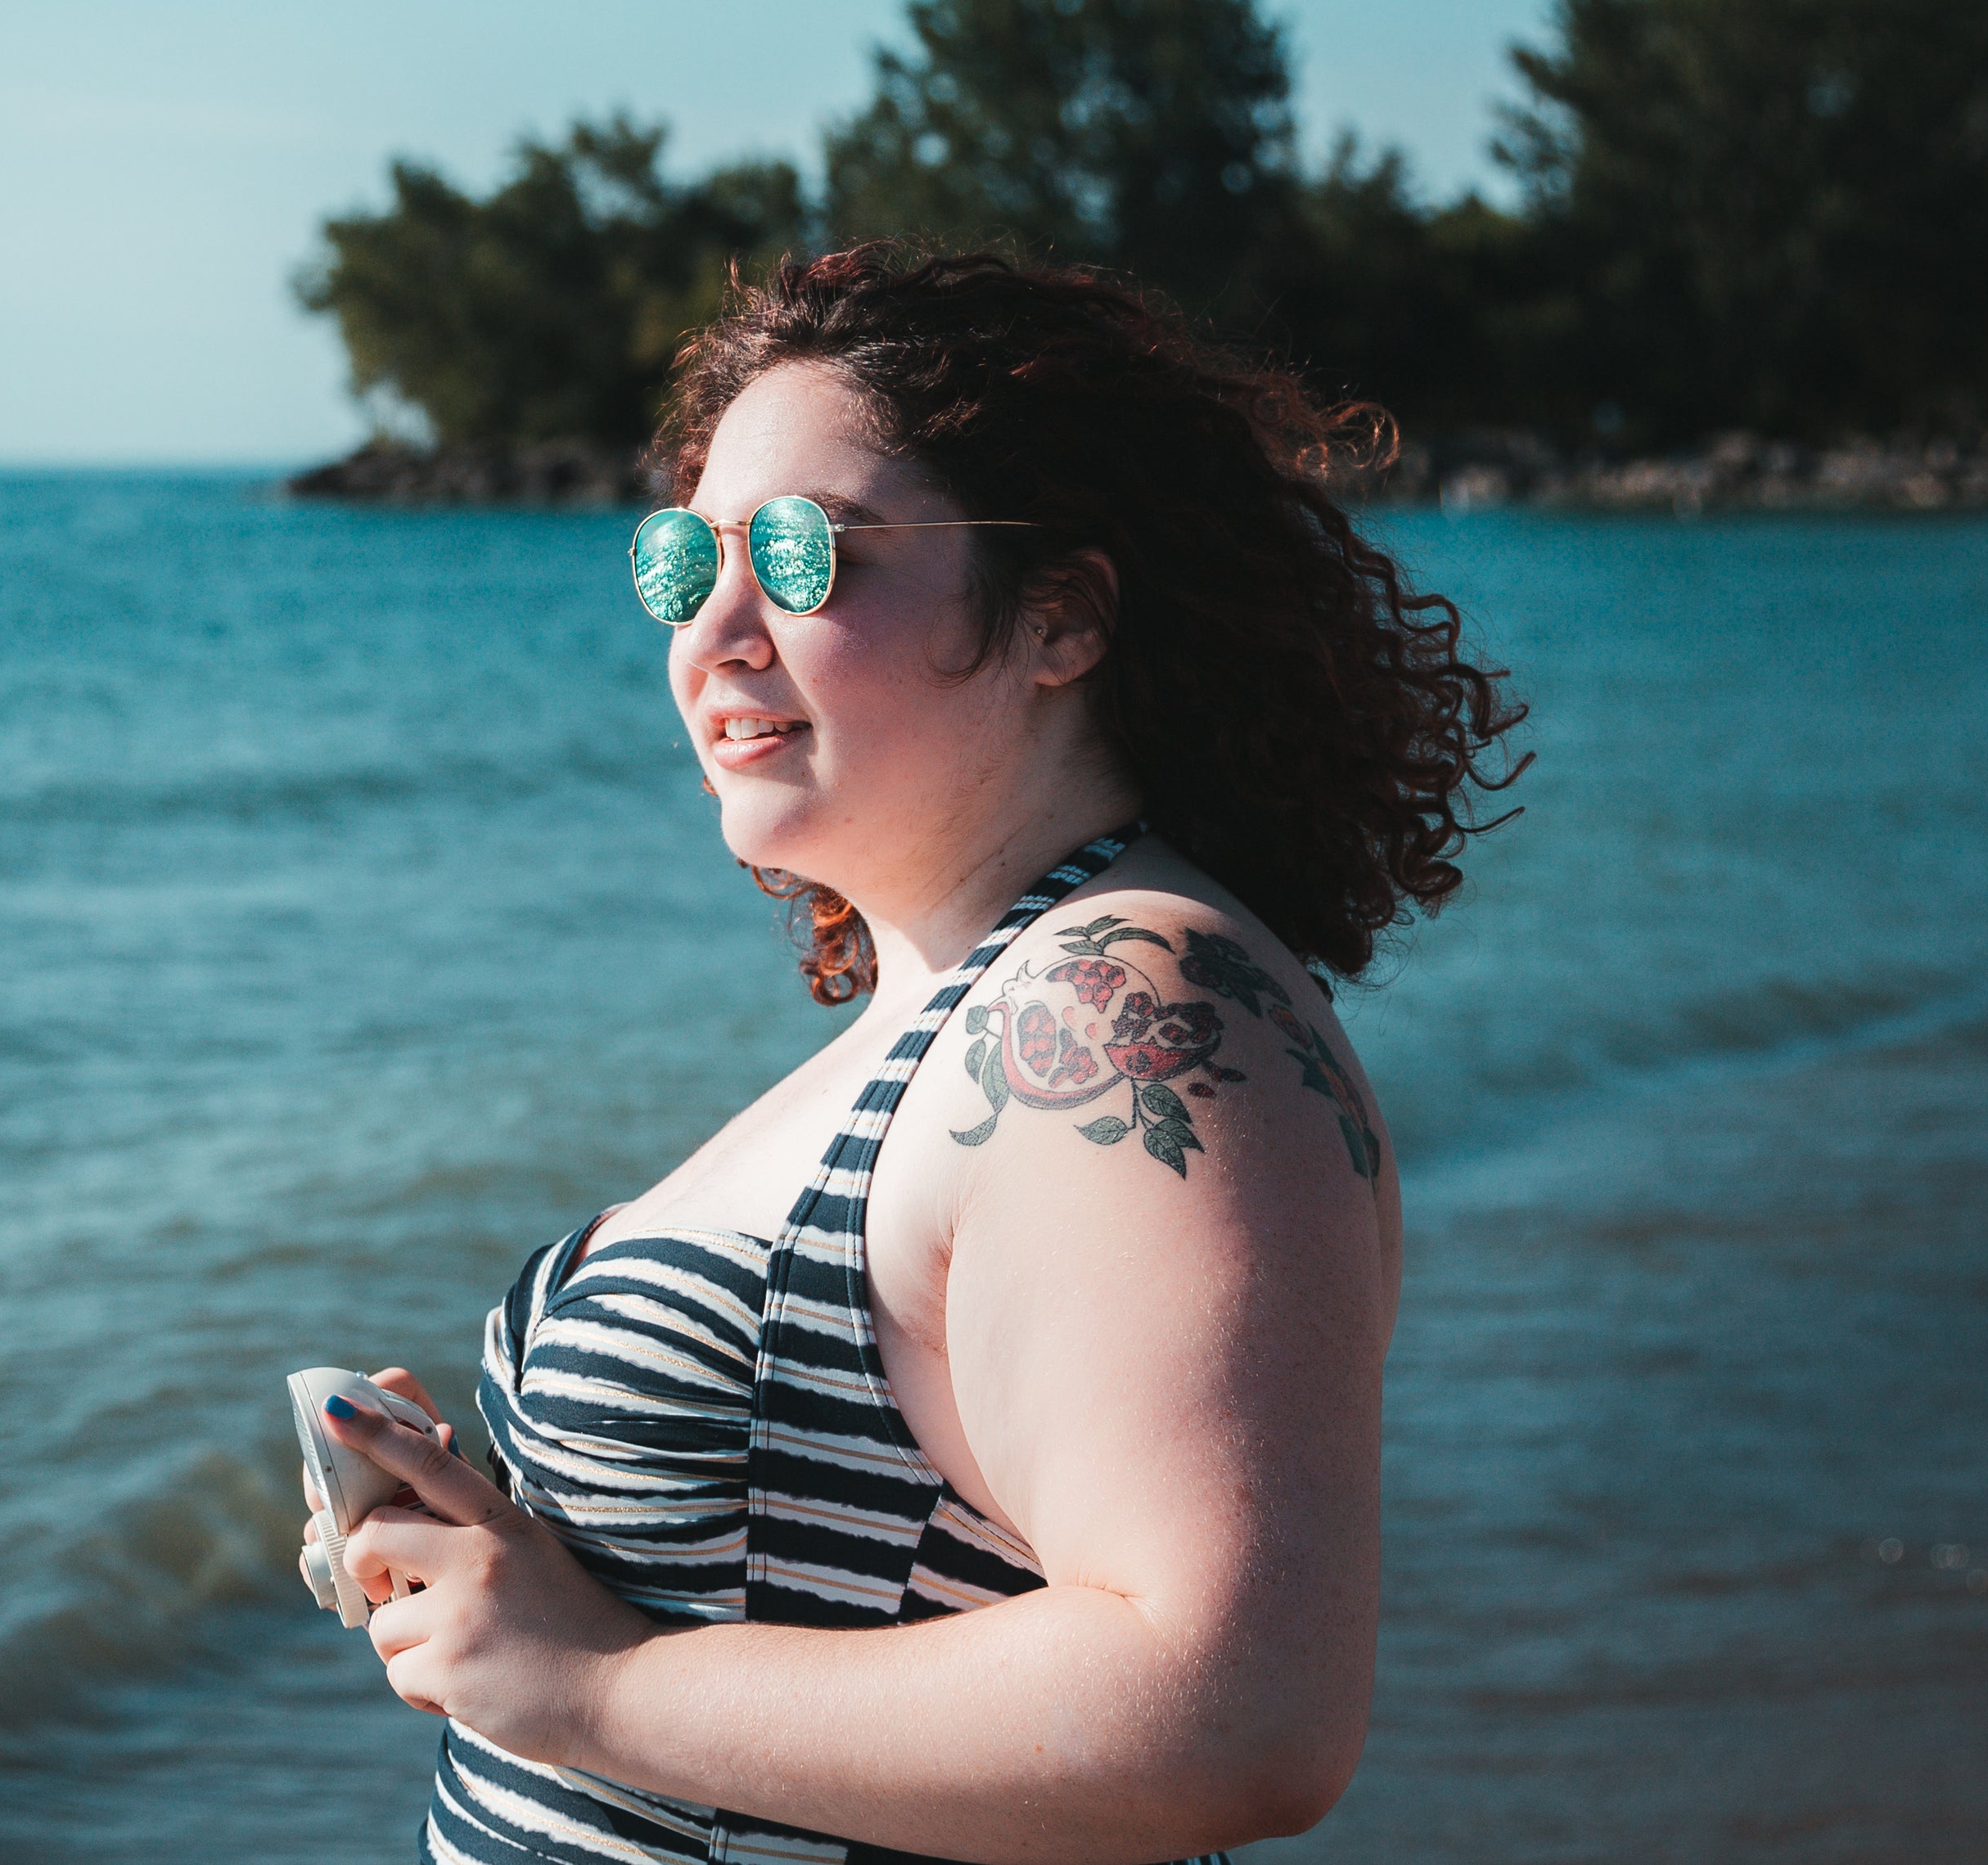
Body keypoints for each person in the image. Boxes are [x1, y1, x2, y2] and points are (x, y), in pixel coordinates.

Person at [309, 246, 1526, 1865]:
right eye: (687, 563)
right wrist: (511, 1547)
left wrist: (589, 1684)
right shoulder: (968, 1004)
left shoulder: (1123, 1008)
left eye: (804, 557)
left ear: (1059, 615)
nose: (720, 629)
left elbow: (1233, 1704)